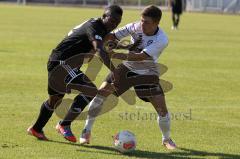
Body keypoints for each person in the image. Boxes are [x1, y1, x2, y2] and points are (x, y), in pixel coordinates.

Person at [80, 5, 177, 150]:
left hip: (146, 73)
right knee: (101, 94)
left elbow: (140, 57)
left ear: (156, 23)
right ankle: (86, 131)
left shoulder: (162, 39)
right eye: (142, 20)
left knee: (162, 109)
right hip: (127, 68)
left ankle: (166, 139)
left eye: (147, 22)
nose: (142, 24)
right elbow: (112, 36)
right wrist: (108, 44)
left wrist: (113, 54)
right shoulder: (135, 26)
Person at [27, 5, 123, 143]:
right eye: (112, 20)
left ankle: (36, 129)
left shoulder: (99, 28)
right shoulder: (95, 26)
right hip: (62, 63)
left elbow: (100, 47)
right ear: (104, 16)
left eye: (117, 23)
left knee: (55, 100)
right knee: (90, 90)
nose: (114, 25)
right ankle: (64, 124)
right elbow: (99, 50)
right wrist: (114, 70)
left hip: (58, 61)